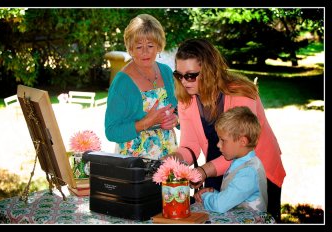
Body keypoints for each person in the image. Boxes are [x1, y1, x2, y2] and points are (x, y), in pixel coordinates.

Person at [166, 38, 285, 222]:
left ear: (209, 71)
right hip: (217, 165)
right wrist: (172, 161)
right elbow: (189, 145)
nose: (184, 81)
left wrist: (204, 171)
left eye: (190, 75)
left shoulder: (241, 94)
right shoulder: (186, 100)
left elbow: (241, 148)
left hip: (256, 168)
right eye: (178, 75)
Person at [104, 14, 179, 160]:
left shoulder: (167, 72)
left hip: (168, 155)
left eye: (150, 46)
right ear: (130, 49)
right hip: (134, 161)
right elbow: (111, 131)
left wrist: (176, 119)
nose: (145, 52)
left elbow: (181, 108)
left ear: (158, 46)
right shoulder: (122, 82)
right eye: (139, 47)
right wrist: (146, 123)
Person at [195, 106, 268, 214]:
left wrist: (206, 197)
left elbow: (220, 206)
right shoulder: (240, 163)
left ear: (242, 141)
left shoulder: (248, 172)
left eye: (223, 140)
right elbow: (235, 199)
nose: (218, 145)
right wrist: (214, 194)